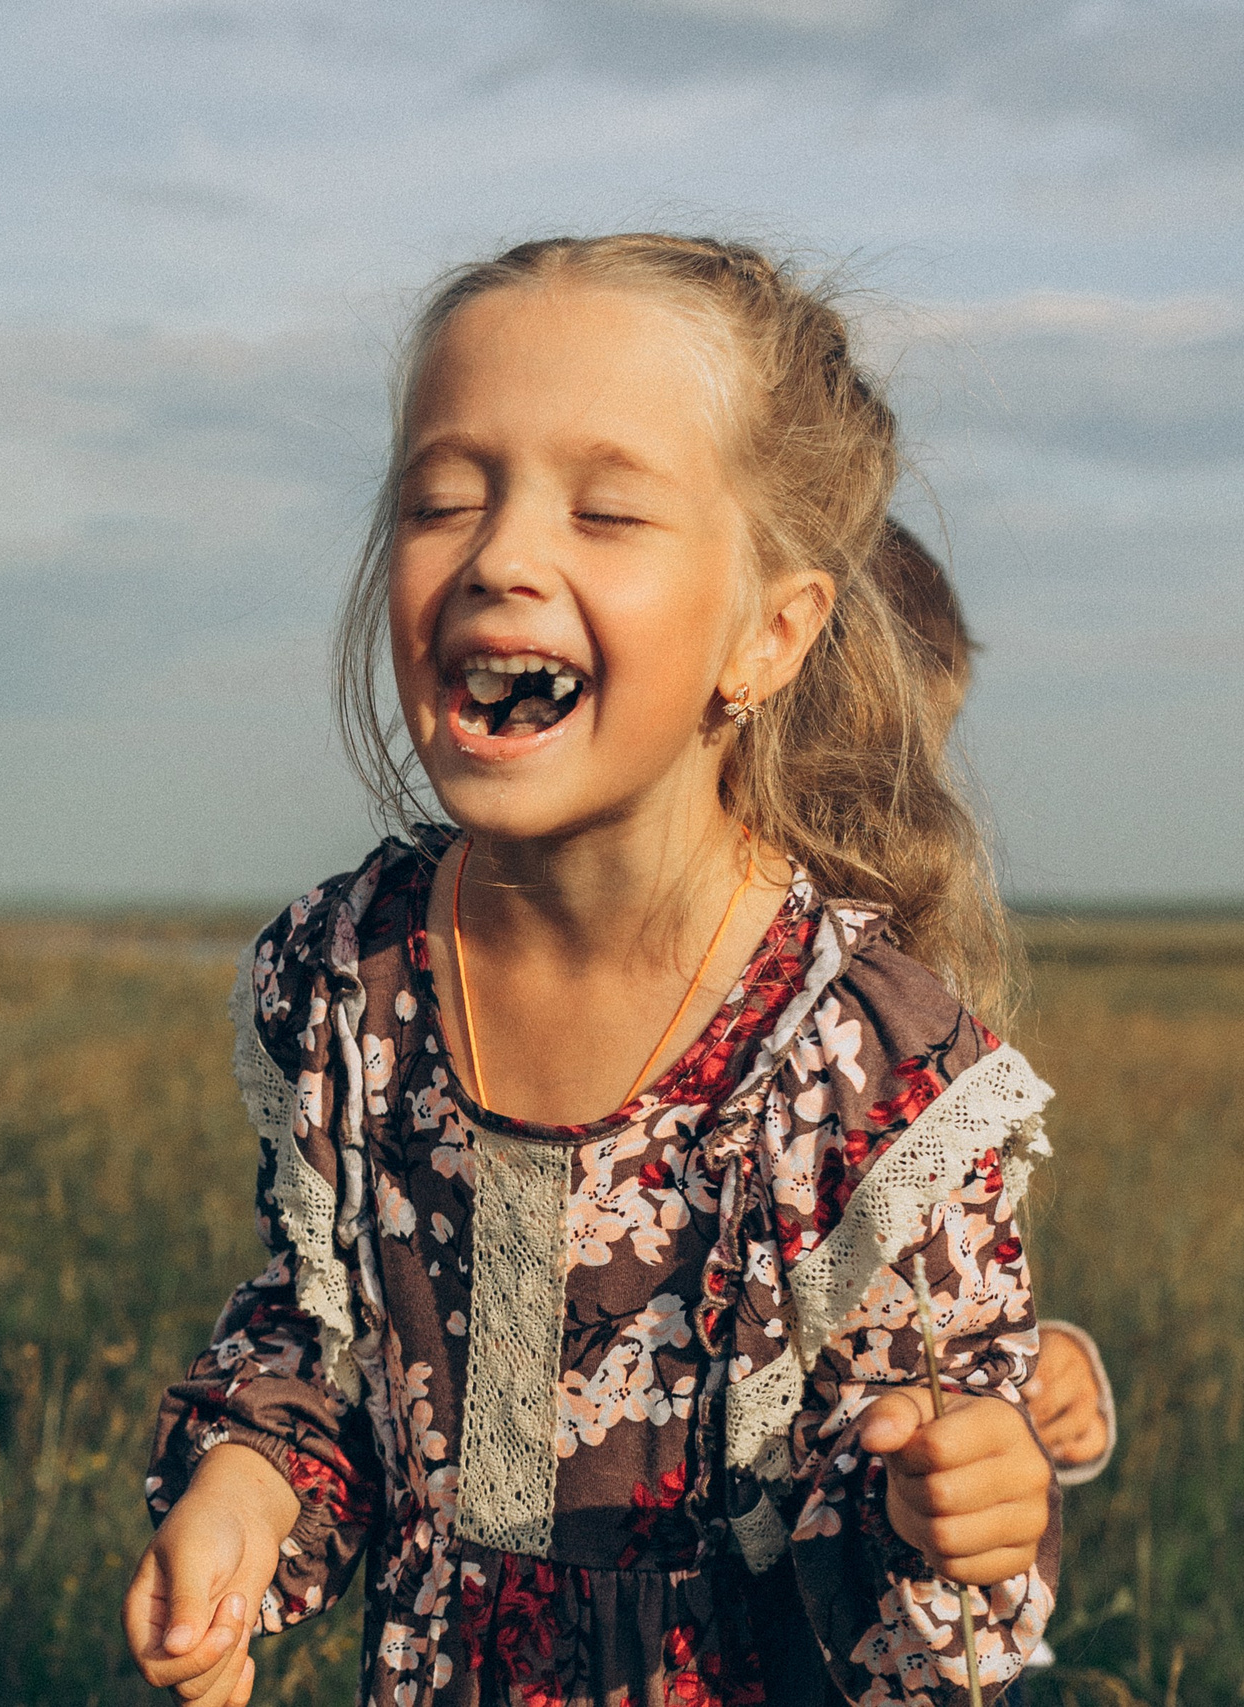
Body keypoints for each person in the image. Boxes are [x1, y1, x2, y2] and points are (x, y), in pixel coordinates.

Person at [125, 236, 1062, 1706]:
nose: (499, 552)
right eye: (443, 498)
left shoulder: (862, 1057)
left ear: (767, 631)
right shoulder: (348, 978)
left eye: (607, 509)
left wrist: (957, 1497)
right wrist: (249, 1486)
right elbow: (327, 1362)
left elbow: (917, 1490)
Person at [871, 520, 1116, 1489]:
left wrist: (1041, 1373)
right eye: (874, 756)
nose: (912, 798)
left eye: (923, 752)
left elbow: (948, 1325)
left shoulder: (910, 1007)